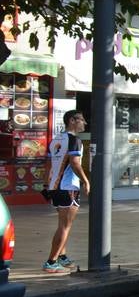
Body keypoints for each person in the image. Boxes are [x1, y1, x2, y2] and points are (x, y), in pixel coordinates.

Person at [43, 109, 90, 273]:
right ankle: (51, 261)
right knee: (65, 226)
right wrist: (86, 180)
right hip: (68, 187)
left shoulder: (56, 139)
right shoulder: (74, 140)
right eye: (82, 119)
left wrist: (46, 185)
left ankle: (62, 256)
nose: (85, 123)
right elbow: (75, 163)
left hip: (55, 187)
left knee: (62, 225)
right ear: (72, 120)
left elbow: (48, 164)